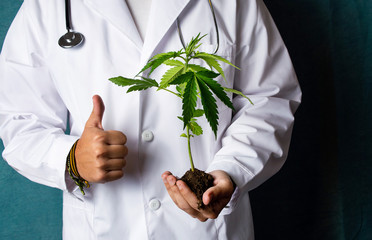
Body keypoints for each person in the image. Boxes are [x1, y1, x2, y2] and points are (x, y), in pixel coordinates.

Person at [0, 0, 301, 239]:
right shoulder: (47, 6)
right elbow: (18, 117)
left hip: (207, 228)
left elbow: (269, 100)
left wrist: (232, 170)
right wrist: (71, 160)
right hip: (105, 226)